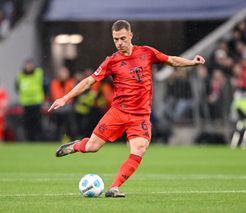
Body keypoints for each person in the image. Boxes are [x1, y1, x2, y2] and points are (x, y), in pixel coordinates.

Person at [48, 20, 205, 198]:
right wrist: (65, 98)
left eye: (123, 38)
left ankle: (114, 187)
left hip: (140, 116)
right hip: (118, 112)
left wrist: (192, 63)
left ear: (131, 35)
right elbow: (89, 81)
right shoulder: (112, 61)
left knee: (139, 149)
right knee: (92, 147)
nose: (120, 43)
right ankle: (75, 146)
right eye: (116, 39)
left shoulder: (146, 52)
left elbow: (171, 60)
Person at [16, 59, 46, 141]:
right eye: (27, 65)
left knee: (37, 122)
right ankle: (29, 139)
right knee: (28, 123)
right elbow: (17, 88)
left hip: (37, 102)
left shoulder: (38, 73)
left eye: (30, 65)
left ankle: (39, 139)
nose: (29, 67)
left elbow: (45, 86)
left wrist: (45, 99)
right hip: (26, 103)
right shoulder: (20, 76)